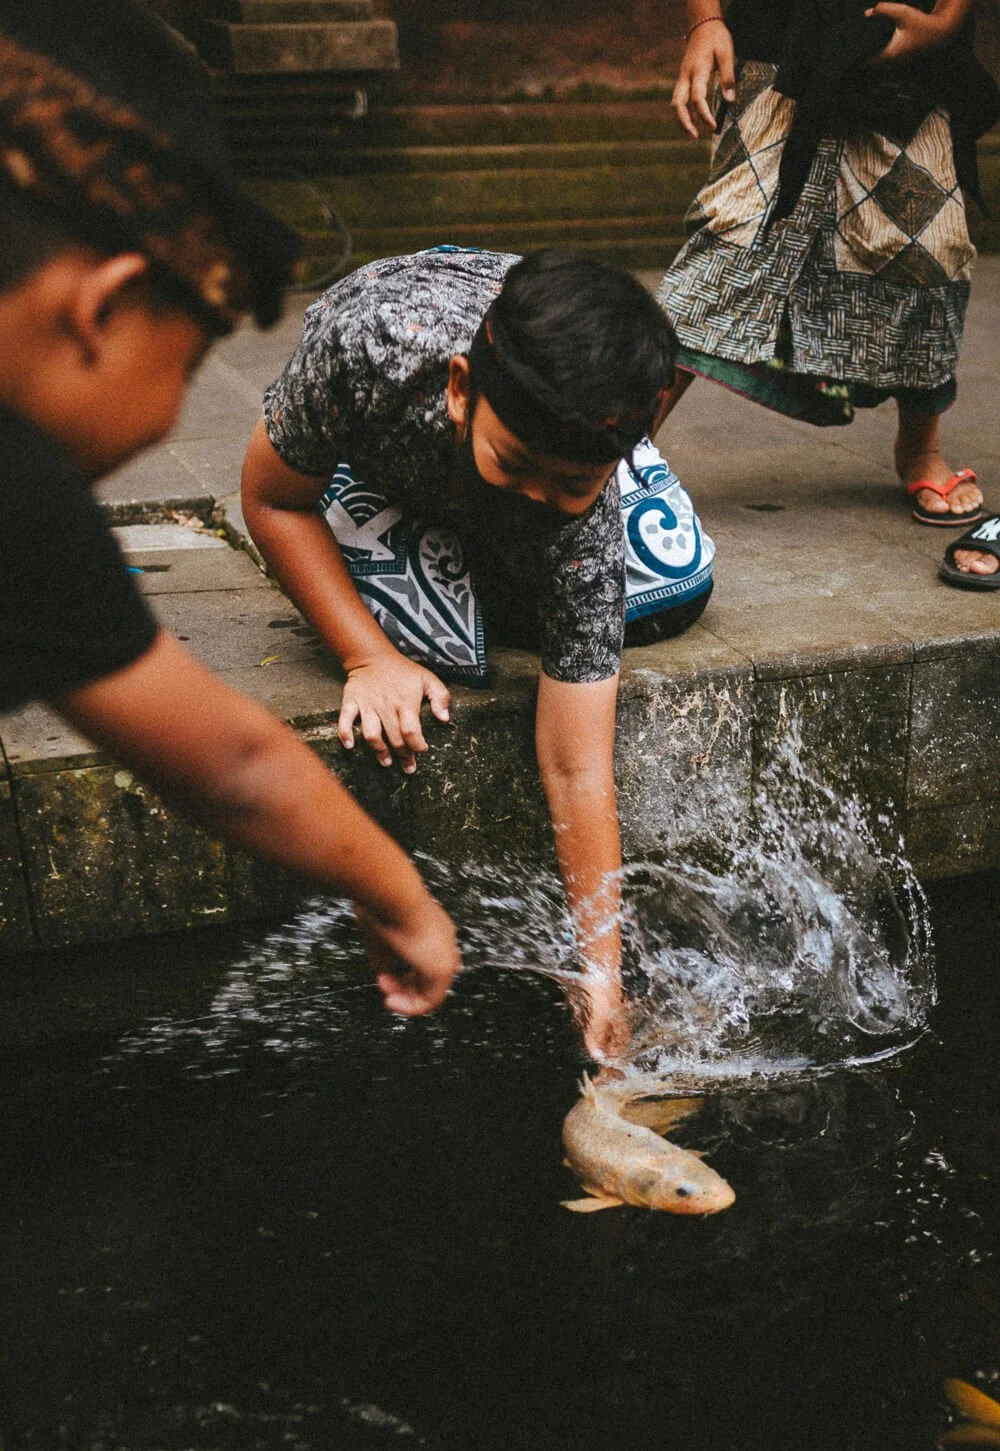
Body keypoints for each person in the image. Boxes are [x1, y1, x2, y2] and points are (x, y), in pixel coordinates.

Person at [0, 0, 459, 1016]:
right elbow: (237, 766)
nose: (175, 415)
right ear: (107, 305)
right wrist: (405, 903)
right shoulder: (18, 498)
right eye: (191, 357)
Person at [241, 247, 695, 1060]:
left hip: (549, 457)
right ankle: (462, 513)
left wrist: (601, 974)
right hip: (387, 464)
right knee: (441, 641)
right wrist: (366, 658)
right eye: (517, 464)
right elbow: (272, 497)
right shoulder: (369, 348)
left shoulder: (583, 522)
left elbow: (575, 763)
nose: (539, 496)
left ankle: (582, 481)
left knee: (677, 581)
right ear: (460, 388)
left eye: (573, 483)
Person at [661, 0, 1000, 567]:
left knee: (928, 251)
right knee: (731, 242)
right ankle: (615, 450)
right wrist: (704, 20)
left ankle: (921, 445)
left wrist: (947, 22)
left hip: (908, 54)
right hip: (782, 47)